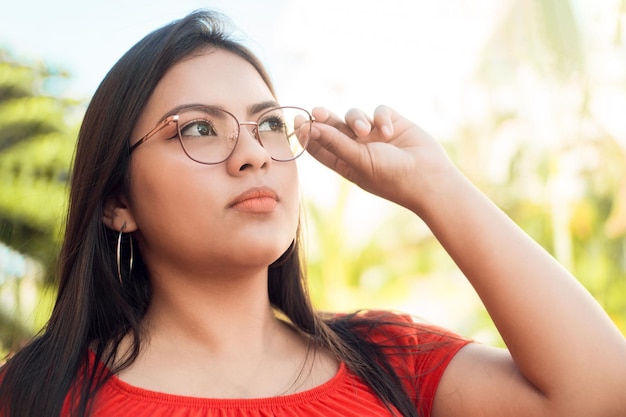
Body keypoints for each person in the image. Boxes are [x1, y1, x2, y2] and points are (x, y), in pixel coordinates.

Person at [1, 9, 625, 417]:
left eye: (269, 123)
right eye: (198, 128)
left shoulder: (390, 363)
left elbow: (600, 395)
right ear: (116, 202)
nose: (252, 154)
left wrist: (436, 186)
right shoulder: (34, 393)